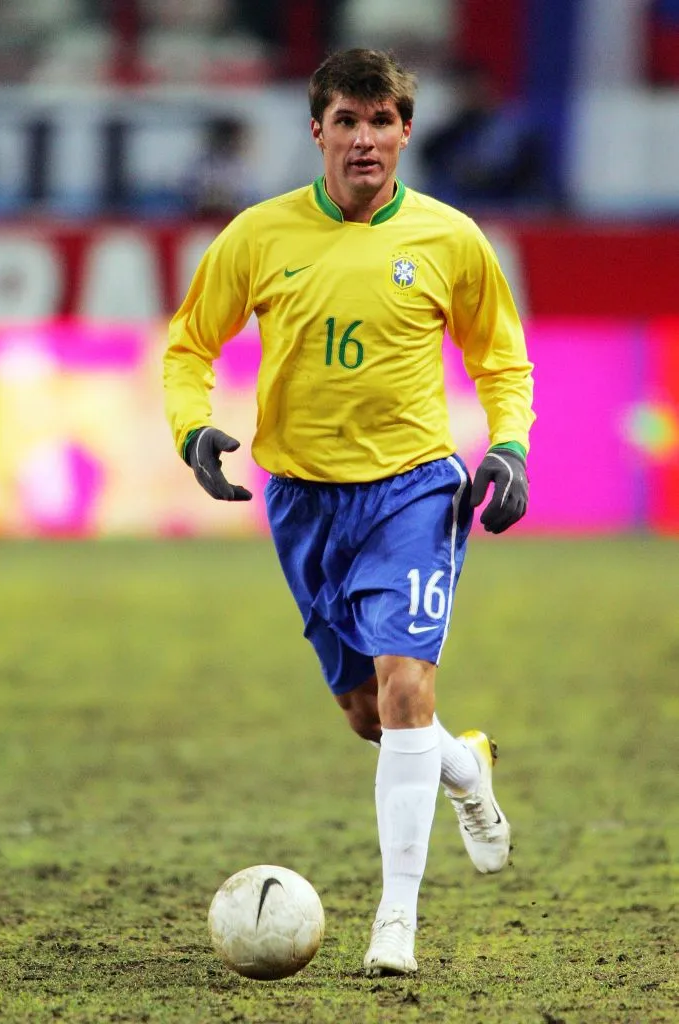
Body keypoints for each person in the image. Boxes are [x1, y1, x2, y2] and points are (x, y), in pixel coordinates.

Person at [163, 48, 534, 977]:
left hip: (413, 490)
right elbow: (187, 346)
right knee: (373, 717)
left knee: (408, 690)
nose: (365, 139)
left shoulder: (450, 239)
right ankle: (464, 766)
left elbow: (502, 360)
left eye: (382, 121)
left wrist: (511, 444)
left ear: (405, 131)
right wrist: (190, 429)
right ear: (318, 129)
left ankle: (394, 926)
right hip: (301, 501)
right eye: (348, 121)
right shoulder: (258, 235)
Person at [419, 60, 549, 211]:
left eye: (470, 88)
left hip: (505, 211)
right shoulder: (447, 135)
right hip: (459, 210)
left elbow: (504, 171)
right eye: (459, 90)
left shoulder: (512, 129)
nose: (465, 96)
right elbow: (429, 161)